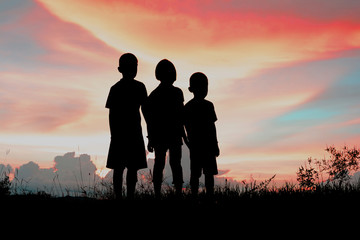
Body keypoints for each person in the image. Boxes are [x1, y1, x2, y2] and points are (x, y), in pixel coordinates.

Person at [105, 53, 148, 199]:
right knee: (125, 169)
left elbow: (145, 112)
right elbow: (146, 112)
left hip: (126, 134)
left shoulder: (117, 88)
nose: (132, 70)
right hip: (126, 134)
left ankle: (124, 197)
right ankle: (124, 197)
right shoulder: (121, 88)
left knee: (126, 169)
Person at [143, 59, 187, 198]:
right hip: (168, 135)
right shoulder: (173, 93)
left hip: (166, 135)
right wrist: (184, 136)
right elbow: (181, 116)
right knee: (171, 164)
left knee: (164, 164)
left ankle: (162, 194)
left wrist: (151, 138)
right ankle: (173, 193)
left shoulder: (155, 95)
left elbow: (180, 116)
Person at [184, 72, 220, 198]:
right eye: (201, 86)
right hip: (200, 146)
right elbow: (212, 126)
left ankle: (206, 196)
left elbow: (212, 127)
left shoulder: (191, 107)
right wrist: (187, 140)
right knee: (198, 174)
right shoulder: (199, 106)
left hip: (203, 145)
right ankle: (201, 196)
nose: (204, 90)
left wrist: (215, 144)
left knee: (203, 174)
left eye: (205, 86)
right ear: (191, 89)